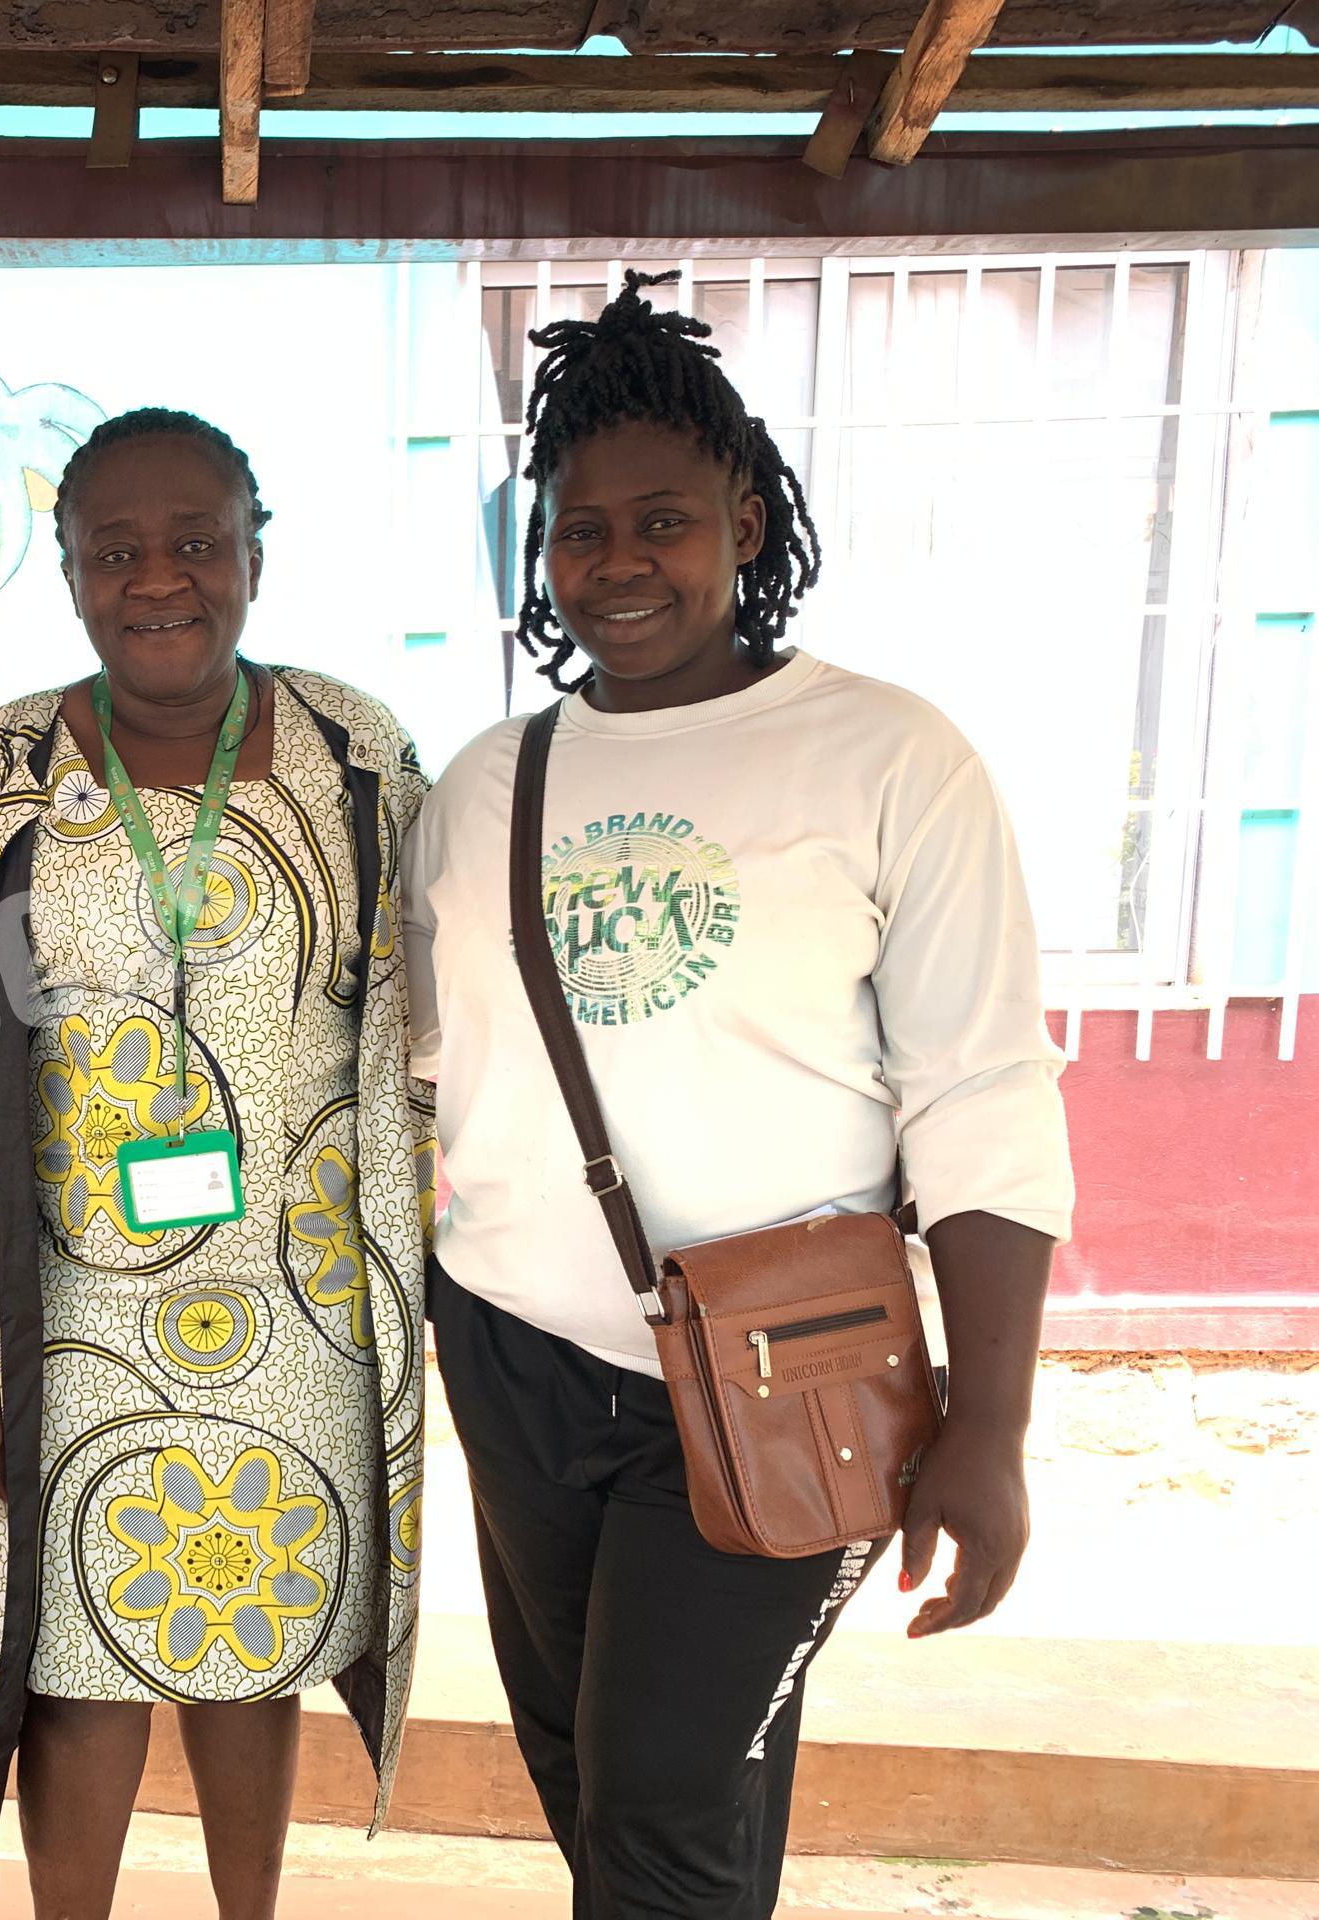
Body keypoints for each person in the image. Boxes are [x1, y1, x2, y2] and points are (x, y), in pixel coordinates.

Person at [403, 272, 1076, 1918]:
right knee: (599, 1776)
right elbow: (428, 1065)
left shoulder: (887, 758)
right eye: (581, 530)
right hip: (515, 1356)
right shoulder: (494, 779)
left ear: (748, 518)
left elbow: (981, 1092)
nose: (620, 565)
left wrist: (989, 1428)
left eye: (665, 522)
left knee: (656, 1810)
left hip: (789, 1365)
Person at [0, 408, 434, 1919]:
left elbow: (432, 1010)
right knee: (75, 1659)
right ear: (64, 570)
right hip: (61, 1314)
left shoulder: (354, 748)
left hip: (310, 1304)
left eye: (195, 541)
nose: (157, 579)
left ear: (257, 549)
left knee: (264, 1638)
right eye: (113, 549)